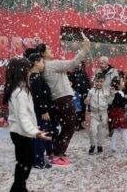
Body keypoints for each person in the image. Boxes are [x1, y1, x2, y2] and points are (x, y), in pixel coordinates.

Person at [38, 32, 90, 165]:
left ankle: (56, 152)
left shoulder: (45, 67)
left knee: (63, 127)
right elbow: (73, 63)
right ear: (43, 54)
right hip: (63, 99)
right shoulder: (52, 64)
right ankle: (57, 154)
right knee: (70, 127)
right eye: (48, 49)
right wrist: (84, 48)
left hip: (58, 99)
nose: (51, 50)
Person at [2, 57, 51, 192]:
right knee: (24, 164)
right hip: (20, 133)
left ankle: (20, 188)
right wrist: (34, 132)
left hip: (23, 132)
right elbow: (22, 117)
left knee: (26, 163)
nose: (30, 73)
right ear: (21, 72)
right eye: (28, 70)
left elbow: (26, 116)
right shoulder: (19, 93)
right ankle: (18, 189)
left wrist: (34, 128)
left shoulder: (22, 90)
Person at [26, 51, 54, 169]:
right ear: (36, 62)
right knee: (41, 135)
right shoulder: (36, 78)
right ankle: (38, 161)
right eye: (42, 62)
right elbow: (38, 96)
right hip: (39, 112)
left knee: (37, 135)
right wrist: (44, 110)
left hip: (35, 111)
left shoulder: (32, 77)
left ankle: (36, 160)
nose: (44, 64)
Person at [84, 73, 115, 155]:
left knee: (101, 132)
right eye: (97, 81)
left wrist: (112, 94)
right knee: (92, 131)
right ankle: (92, 145)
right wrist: (86, 101)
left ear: (104, 82)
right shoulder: (91, 91)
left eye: (101, 81)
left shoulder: (106, 91)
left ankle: (100, 145)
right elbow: (87, 100)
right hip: (94, 114)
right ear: (94, 81)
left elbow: (110, 102)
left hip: (103, 114)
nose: (99, 83)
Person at [109, 77, 127, 153]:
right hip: (118, 113)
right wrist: (125, 99)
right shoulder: (117, 93)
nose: (123, 83)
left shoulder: (119, 92)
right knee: (123, 129)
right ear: (118, 84)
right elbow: (119, 103)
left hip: (118, 112)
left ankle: (113, 146)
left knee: (116, 129)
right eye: (122, 81)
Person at [68, 61, 91, 130]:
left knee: (83, 109)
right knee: (77, 109)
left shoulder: (84, 73)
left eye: (80, 64)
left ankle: (80, 123)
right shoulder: (72, 74)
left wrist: (87, 92)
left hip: (83, 93)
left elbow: (87, 83)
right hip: (76, 94)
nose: (79, 66)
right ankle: (76, 124)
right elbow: (70, 84)